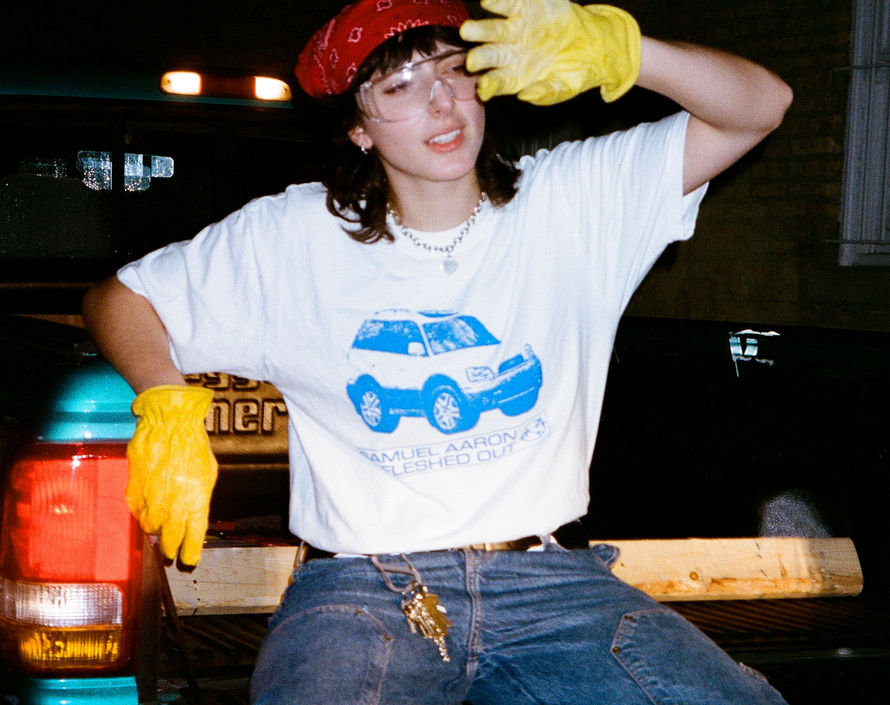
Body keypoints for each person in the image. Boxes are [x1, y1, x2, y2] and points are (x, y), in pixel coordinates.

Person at [82, 0, 793, 702]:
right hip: (364, 587)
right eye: (400, 87)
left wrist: (624, 50)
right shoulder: (292, 235)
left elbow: (760, 107)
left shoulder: (575, 198)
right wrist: (165, 398)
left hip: (554, 584)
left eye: (454, 70)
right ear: (358, 129)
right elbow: (120, 299)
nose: (442, 101)